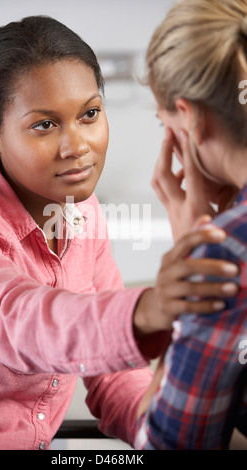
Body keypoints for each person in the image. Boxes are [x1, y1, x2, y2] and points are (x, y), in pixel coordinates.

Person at [0, 16, 238, 450]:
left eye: (89, 114)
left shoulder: (82, 210)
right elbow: (16, 322)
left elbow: (115, 374)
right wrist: (148, 309)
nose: (77, 146)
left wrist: (165, 429)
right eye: (45, 125)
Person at [135, 0, 247, 450]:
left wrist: (195, 249)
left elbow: (168, 444)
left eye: (166, 123)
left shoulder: (223, 254)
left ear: (192, 118)